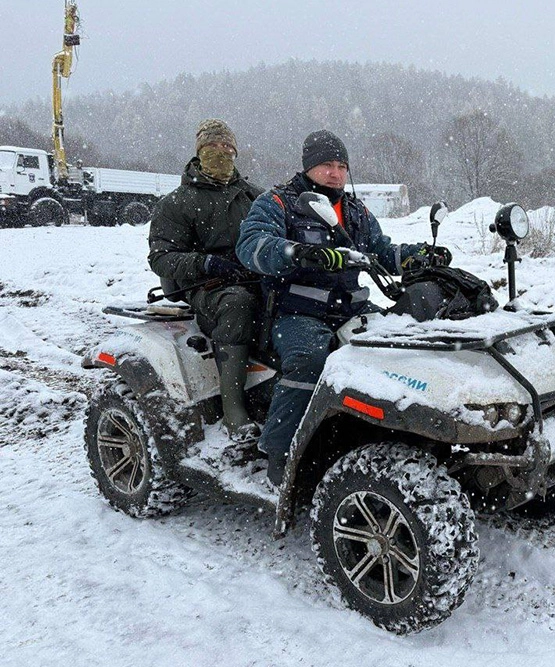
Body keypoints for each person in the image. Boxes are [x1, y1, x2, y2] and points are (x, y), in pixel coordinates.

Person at [236, 130, 451, 486]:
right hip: (297, 313)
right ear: (308, 167)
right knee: (310, 361)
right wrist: (296, 252)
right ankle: (280, 451)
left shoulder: (354, 210)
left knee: (405, 349)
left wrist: (415, 256)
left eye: (341, 166)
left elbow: (381, 251)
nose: (335, 174)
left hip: (352, 309)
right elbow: (252, 246)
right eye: (326, 165)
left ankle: (391, 433)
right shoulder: (278, 202)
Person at [148, 119, 264, 444]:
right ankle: (234, 410)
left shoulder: (254, 195)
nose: (222, 153)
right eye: (214, 148)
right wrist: (206, 263)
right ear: (200, 151)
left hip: (255, 276)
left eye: (228, 148)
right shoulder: (177, 202)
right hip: (206, 287)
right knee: (238, 305)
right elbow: (161, 258)